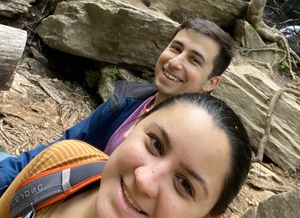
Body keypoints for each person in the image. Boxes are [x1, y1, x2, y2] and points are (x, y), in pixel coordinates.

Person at [0, 18, 234, 197]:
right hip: (61, 192)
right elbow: (61, 148)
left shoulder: (197, 148)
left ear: (211, 83)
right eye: (175, 48)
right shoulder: (126, 101)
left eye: (194, 60)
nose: (175, 62)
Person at [0, 93, 252, 218]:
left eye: (185, 184)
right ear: (132, 127)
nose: (144, 180)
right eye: (156, 144)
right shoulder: (64, 161)